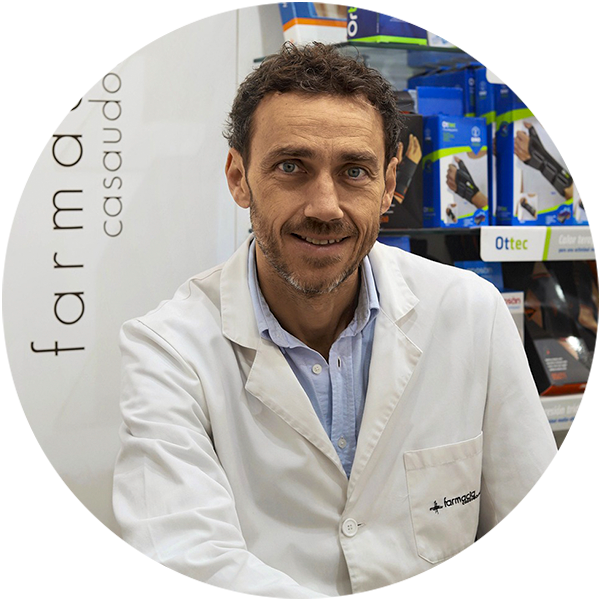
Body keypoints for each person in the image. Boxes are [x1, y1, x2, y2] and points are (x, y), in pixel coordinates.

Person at [112, 42, 592, 597]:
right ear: (239, 177)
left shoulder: (470, 314)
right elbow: (188, 566)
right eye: (291, 167)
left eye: (354, 171)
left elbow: (542, 557)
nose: (325, 206)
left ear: (389, 185)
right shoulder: (169, 350)